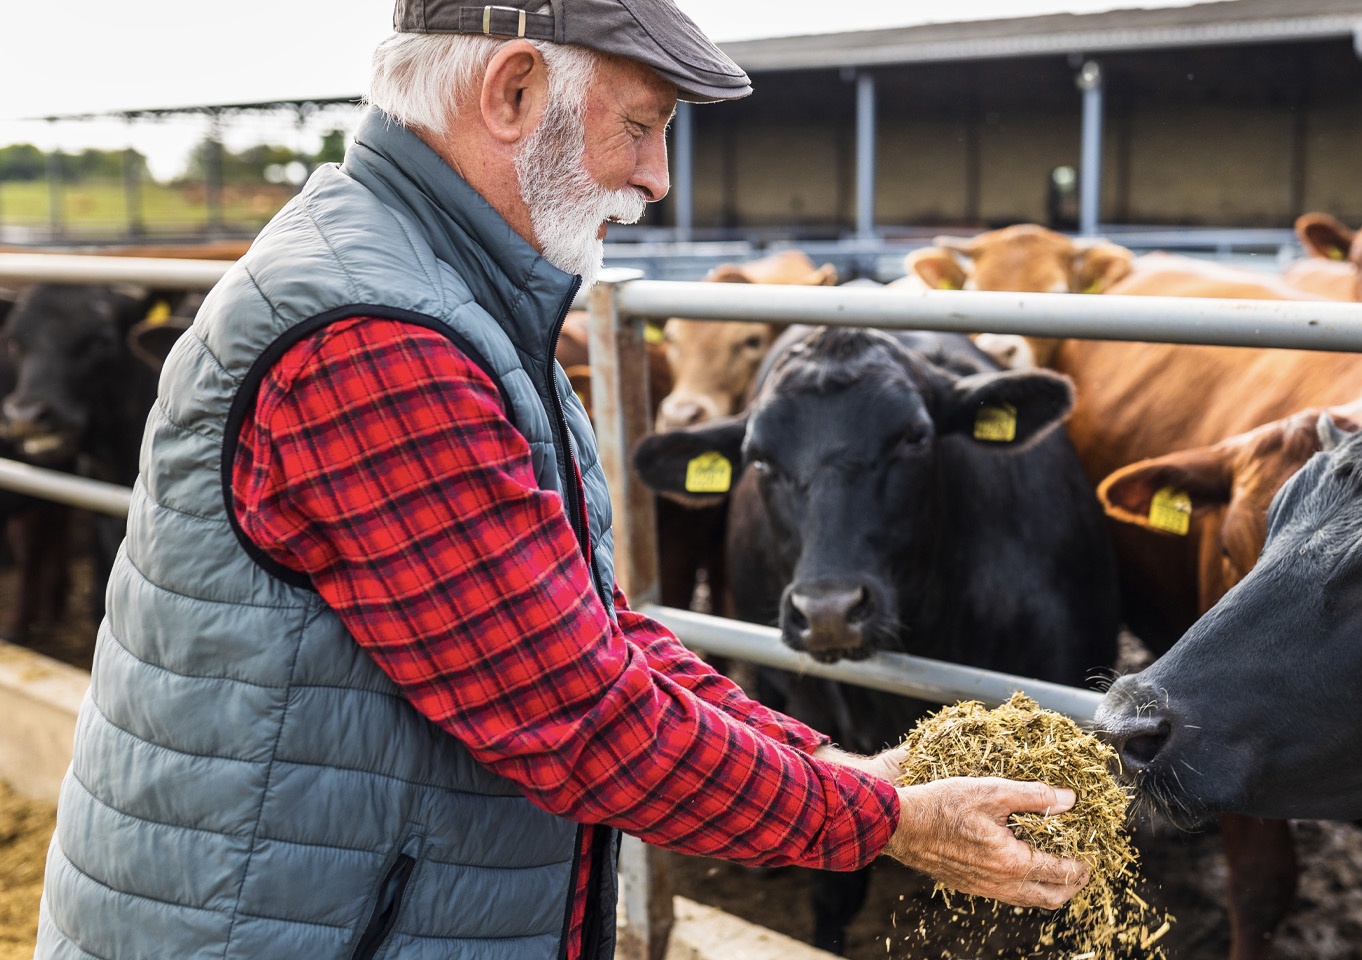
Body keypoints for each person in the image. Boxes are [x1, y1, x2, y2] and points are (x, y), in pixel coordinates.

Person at [33, 2, 1091, 959]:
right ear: (515, 91)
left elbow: (585, 629)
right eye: (640, 125)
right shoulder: (376, 335)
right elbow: (571, 709)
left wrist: (834, 764)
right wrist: (879, 818)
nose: (658, 178)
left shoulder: (446, 292)